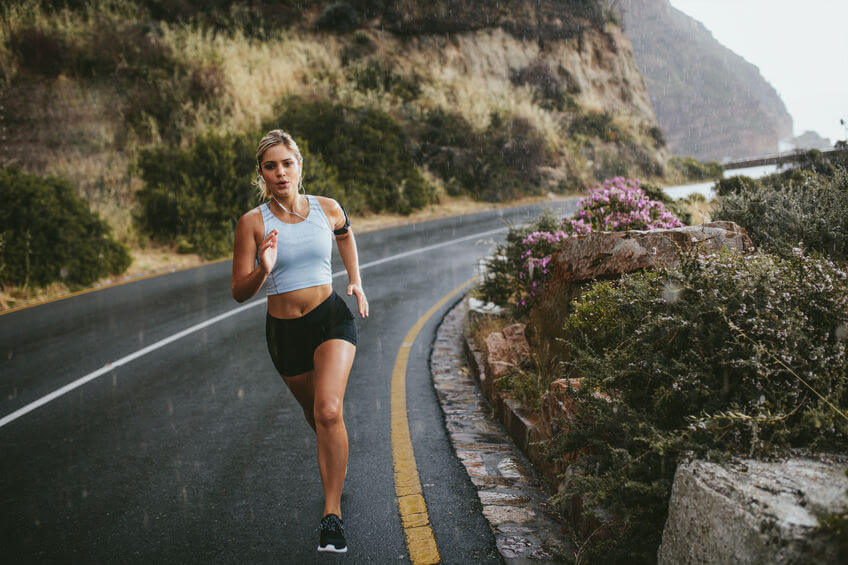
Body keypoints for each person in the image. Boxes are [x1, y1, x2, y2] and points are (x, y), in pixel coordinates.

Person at [231, 130, 368, 553]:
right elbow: (239, 290)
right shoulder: (253, 223)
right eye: (270, 166)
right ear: (262, 174)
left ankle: (332, 515)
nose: (280, 172)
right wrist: (263, 268)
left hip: (331, 319)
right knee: (317, 418)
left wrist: (356, 281)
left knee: (328, 412)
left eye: (286, 163)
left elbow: (345, 234)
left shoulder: (326, 208)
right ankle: (336, 461)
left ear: (299, 165)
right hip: (285, 334)